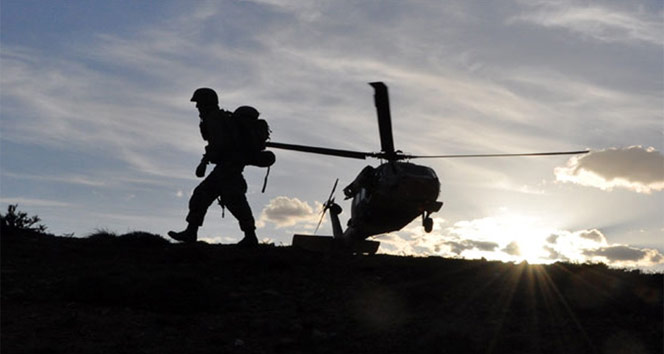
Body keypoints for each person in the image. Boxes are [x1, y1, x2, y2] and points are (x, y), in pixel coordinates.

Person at [168, 88, 258, 247]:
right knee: (205, 196)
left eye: (198, 103)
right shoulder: (219, 118)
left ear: (206, 102)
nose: (197, 107)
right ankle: (191, 231)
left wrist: (204, 162)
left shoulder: (215, 118)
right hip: (227, 166)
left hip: (228, 167)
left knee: (233, 200)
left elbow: (219, 144)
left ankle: (250, 236)